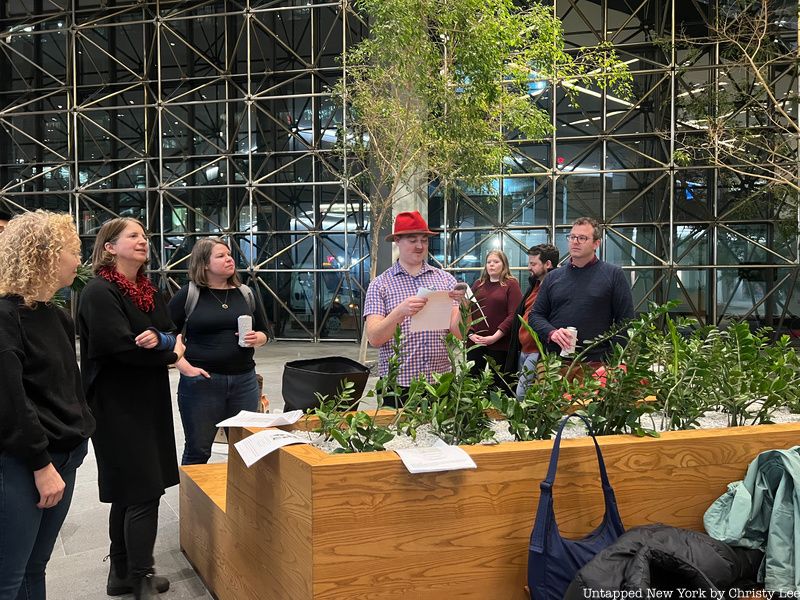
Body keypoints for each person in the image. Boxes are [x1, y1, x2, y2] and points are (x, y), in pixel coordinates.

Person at [77, 217, 184, 600]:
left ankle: (121, 573)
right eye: (133, 236)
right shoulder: (98, 291)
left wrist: (163, 342)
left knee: (129, 490)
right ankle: (140, 578)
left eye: (145, 236)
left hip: (146, 401)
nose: (143, 241)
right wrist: (168, 352)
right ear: (109, 246)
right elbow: (118, 347)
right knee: (143, 489)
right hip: (116, 406)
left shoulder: (147, 291)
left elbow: (170, 330)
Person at [0, 211, 95, 600]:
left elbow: (66, 387)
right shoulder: (6, 318)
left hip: (65, 455)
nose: (79, 261)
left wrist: (80, 433)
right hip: (26, 463)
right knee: (9, 576)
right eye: (74, 252)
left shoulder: (55, 315)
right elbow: (11, 402)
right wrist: (41, 464)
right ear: (46, 255)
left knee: (36, 566)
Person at [168, 237, 269, 465]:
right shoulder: (189, 294)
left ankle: (243, 500)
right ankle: (193, 500)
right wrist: (183, 366)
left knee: (246, 449)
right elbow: (167, 332)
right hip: (202, 383)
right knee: (198, 449)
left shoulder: (245, 293)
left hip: (244, 381)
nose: (229, 259)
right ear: (204, 263)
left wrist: (257, 338)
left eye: (229, 255)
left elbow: (265, 332)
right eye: (220, 256)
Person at [363, 211, 466, 405]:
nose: (420, 246)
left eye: (424, 240)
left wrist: (464, 306)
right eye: (412, 240)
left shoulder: (445, 279)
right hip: (397, 385)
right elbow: (375, 338)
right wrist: (399, 312)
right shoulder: (380, 285)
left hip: (440, 382)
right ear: (397, 241)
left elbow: (459, 333)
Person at [530, 217, 634, 365]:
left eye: (582, 238)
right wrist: (552, 332)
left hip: (596, 365)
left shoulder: (613, 275)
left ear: (596, 243)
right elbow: (535, 316)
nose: (575, 241)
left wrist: (613, 361)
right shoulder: (553, 277)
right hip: (553, 365)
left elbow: (626, 322)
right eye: (572, 237)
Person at [504, 243, 559, 399]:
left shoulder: (555, 287)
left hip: (538, 351)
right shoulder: (534, 285)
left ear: (548, 264)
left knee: (522, 395)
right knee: (523, 394)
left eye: (533, 264)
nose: (529, 267)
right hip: (524, 349)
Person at [467, 250, 522, 385]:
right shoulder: (478, 284)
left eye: (496, 262)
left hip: (499, 344)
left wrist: (494, 337)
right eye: (488, 262)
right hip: (476, 342)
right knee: (472, 383)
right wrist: (470, 334)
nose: (491, 265)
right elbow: (468, 311)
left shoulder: (511, 284)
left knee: (498, 385)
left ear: (504, 265)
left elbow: (514, 315)